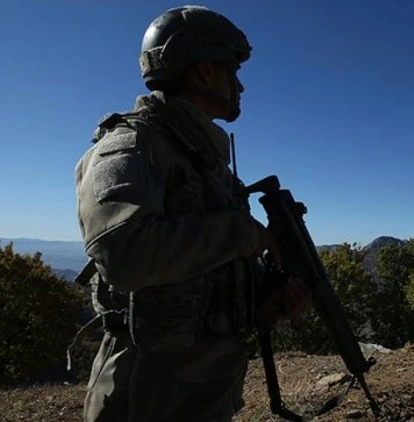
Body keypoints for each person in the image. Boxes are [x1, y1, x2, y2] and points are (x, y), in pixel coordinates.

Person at [73, 5, 311, 421]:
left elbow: (200, 279)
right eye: (232, 71)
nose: (240, 86)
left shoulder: (203, 160)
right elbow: (126, 256)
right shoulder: (130, 144)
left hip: (200, 395)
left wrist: (270, 299)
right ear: (204, 70)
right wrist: (244, 234)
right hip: (143, 399)